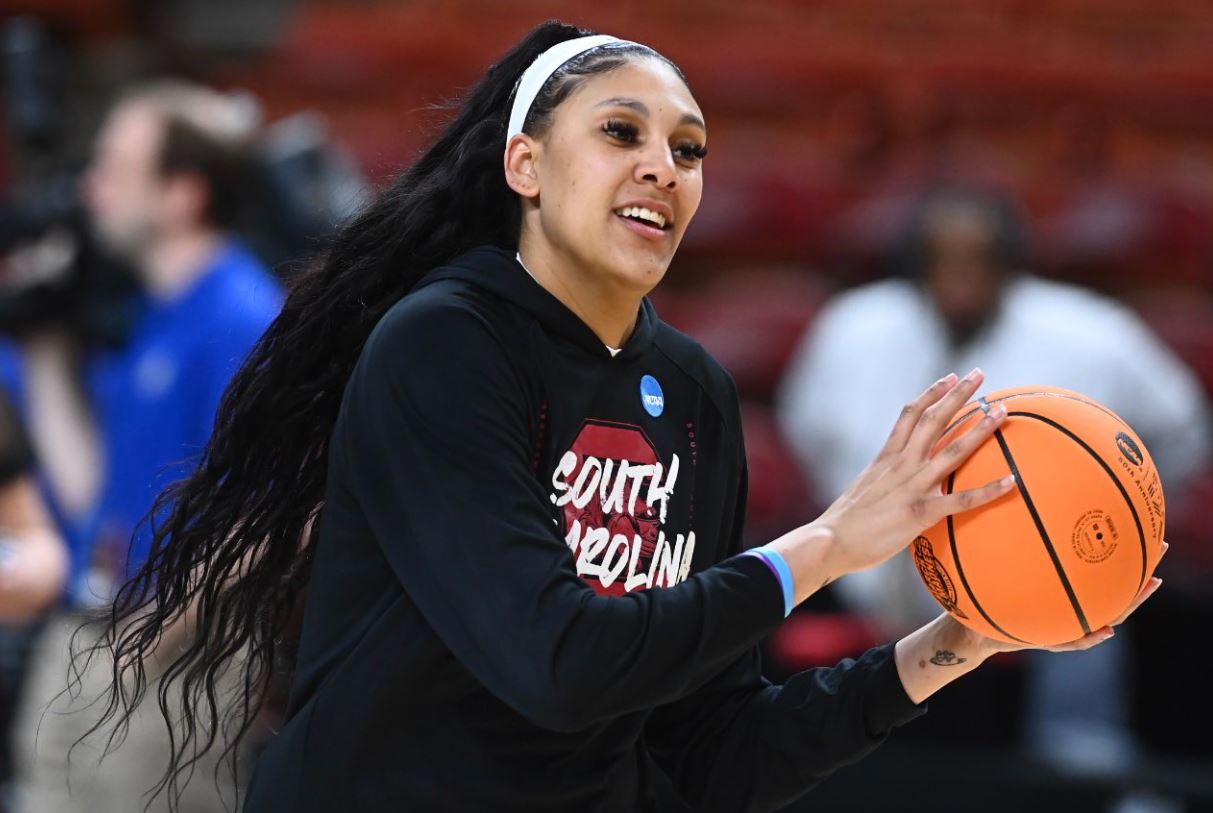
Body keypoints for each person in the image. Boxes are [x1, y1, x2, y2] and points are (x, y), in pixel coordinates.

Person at [91, 23, 1157, 813]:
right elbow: (558, 663)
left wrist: (954, 642)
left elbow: (707, 755)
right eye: (620, 132)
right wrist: (830, 545)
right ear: (526, 168)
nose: (663, 165)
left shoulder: (691, 396)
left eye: (688, 149)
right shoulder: (443, 343)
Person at [777, 187, 1207, 775]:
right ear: (916, 264)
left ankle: (1087, 774)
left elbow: (1181, 427)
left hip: (1047, 585)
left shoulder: (1094, 333)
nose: (961, 275)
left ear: (1011, 263)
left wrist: (1124, 519)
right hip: (883, 596)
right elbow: (806, 429)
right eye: (943, 258)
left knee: (1090, 637)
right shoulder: (853, 328)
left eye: (978, 258)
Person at [12, 79, 282, 813]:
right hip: (90, 621)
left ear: (181, 195)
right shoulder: (148, 311)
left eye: (115, 168)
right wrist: (42, 344)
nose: (92, 187)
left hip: (169, 646)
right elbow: (88, 487)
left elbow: (283, 498)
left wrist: (169, 623)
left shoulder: (240, 315)